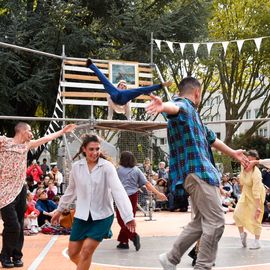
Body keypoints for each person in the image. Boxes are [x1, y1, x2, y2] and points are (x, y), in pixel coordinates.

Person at [145, 77, 249, 270]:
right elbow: (175, 108)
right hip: (199, 172)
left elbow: (212, 139)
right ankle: (202, 267)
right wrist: (164, 106)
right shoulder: (183, 106)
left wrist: (233, 153)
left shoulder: (195, 118)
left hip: (192, 175)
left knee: (201, 222)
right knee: (217, 221)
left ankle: (170, 258)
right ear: (197, 93)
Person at [51, 134, 135, 270]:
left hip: (102, 216)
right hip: (82, 216)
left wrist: (128, 217)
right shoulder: (77, 167)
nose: (95, 153)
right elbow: (71, 191)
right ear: (84, 149)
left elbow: (118, 191)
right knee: (73, 254)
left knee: (86, 252)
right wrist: (59, 210)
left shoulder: (107, 167)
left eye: (97, 149)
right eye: (91, 149)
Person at [0, 122, 76, 268]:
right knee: (12, 224)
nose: (31, 134)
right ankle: (4, 255)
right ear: (21, 131)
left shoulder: (27, 145)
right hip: (4, 190)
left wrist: (62, 131)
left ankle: (16, 255)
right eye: (29, 131)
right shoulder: (4, 142)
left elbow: (46, 139)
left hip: (21, 189)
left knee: (20, 224)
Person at [85, 59, 172, 119]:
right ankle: (91, 65)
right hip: (114, 98)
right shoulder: (114, 89)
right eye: (121, 85)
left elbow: (145, 92)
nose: (122, 86)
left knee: (140, 89)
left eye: (124, 86)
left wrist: (153, 96)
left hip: (124, 100)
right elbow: (110, 103)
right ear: (118, 85)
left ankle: (161, 85)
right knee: (105, 81)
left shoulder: (128, 92)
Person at [116, 151, 167, 250]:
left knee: (120, 218)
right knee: (129, 218)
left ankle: (133, 236)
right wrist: (158, 193)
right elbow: (147, 183)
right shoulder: (136, 170)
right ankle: (123, 241)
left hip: (121, 196)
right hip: (133, 196)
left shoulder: (118, 170)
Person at [233, 150, 266, 249]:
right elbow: (242, 182)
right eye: (247, 160)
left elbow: (256, 191)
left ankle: (257, 241)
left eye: (251, 161)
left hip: (257, 195)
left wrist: (258, 207)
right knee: (236, 214)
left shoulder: (257, 174)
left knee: (256, 217)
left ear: (255, 163)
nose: (248, 162)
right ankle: (242, 235)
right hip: (246, 193)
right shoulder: (243, 166)